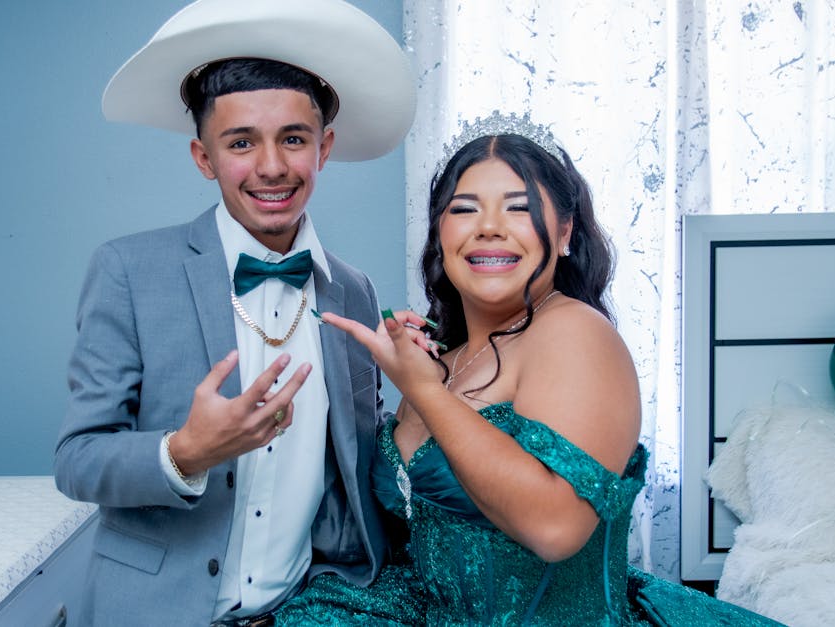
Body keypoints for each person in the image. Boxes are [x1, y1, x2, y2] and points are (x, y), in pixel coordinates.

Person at [279, 112, 783, 625]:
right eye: (465, 209)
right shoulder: (441, 359)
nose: (490, 227)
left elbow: (555, 529)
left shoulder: (573, 331)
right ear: (440, 234)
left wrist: (426, 393)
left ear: (564, 232)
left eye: (519, 208)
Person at [52, 1, 416, 625]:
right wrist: (185, 452)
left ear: (323, 148)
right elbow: (76, 459)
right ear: (204, 158)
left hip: (307, 609)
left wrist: (419, 394)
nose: (272, 166)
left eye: (293, 139)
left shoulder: (353, 292)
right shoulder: (128, 271)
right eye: (241, 142)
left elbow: (357, 464)